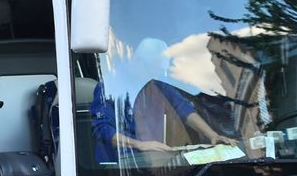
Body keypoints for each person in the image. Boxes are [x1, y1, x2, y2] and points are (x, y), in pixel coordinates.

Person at [90, 38, 235, 162]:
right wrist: (139, 145)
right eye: (154, 70)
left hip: (150, 161)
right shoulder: (110, 86)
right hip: (117, 166)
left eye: (160, 72)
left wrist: (213, 136)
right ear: (138, 62)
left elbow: (183, 108)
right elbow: (102, 129)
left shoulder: (156, 83)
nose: (157, 76)